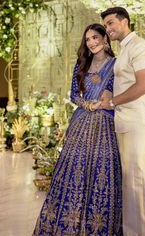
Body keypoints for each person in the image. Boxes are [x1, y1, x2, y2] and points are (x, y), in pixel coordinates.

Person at [33, 23, 122, 235]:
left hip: (105, 126)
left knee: (102, 175)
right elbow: (74, 95)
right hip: (81, 123)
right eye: (88, 39)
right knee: (73, 173)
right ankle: (67, 225)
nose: (91, 42)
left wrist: (103, 101)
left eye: (95, 37)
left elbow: (114, 93)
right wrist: (87, 104)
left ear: (105, 38)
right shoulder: (81, 64)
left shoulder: (116, 65)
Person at [100, 7, 145, 236]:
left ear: (125, 21)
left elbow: (144, 84)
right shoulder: (123, 50)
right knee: (131, 179)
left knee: (138, 177)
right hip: (125, 120)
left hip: (138, 119)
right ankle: (133, 231)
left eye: (111, 22)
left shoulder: (139, 45)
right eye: (105, 25)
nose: (108, 28)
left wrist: (113, 102)